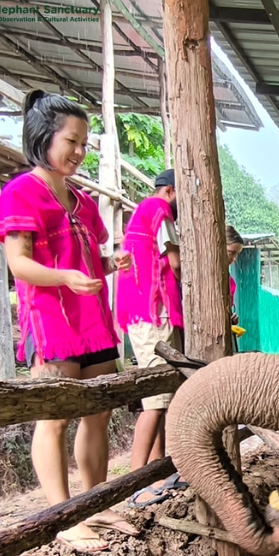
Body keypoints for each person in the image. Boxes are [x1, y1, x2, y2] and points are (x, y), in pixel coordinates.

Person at [0, 90, 139, 552]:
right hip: (51, 322)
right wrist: (64, 278)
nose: (78, 151)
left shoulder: (82, 200)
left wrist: (109, 264)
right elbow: (19, 264)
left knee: (98, 414)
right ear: (42, 138)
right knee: (54, 420)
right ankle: (62, 516)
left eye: (83, 143)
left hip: (93, 320)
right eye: (70, 141)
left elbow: (88, 255)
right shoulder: (21, 192)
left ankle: (96, 504)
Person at [117, 169, 186, 507]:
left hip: (145, 310)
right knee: (155, 400)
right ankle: (136, 479)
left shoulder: (142, 214)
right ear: (171, 191)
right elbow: (174, 264)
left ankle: (155, 475)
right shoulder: (158, 212)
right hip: (154, 311)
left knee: (160, 398)